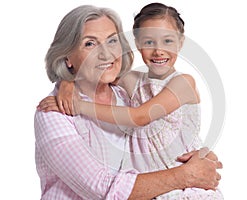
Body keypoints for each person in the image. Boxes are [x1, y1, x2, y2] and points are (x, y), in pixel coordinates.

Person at [35, 4, 222, 200]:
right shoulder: (56, 112)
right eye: (90, 44)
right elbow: (101, 188)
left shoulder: (128, 95)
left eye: (112, 41)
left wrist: (77, 102)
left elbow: (140, 117)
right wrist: (66, 82)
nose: (106, 54)